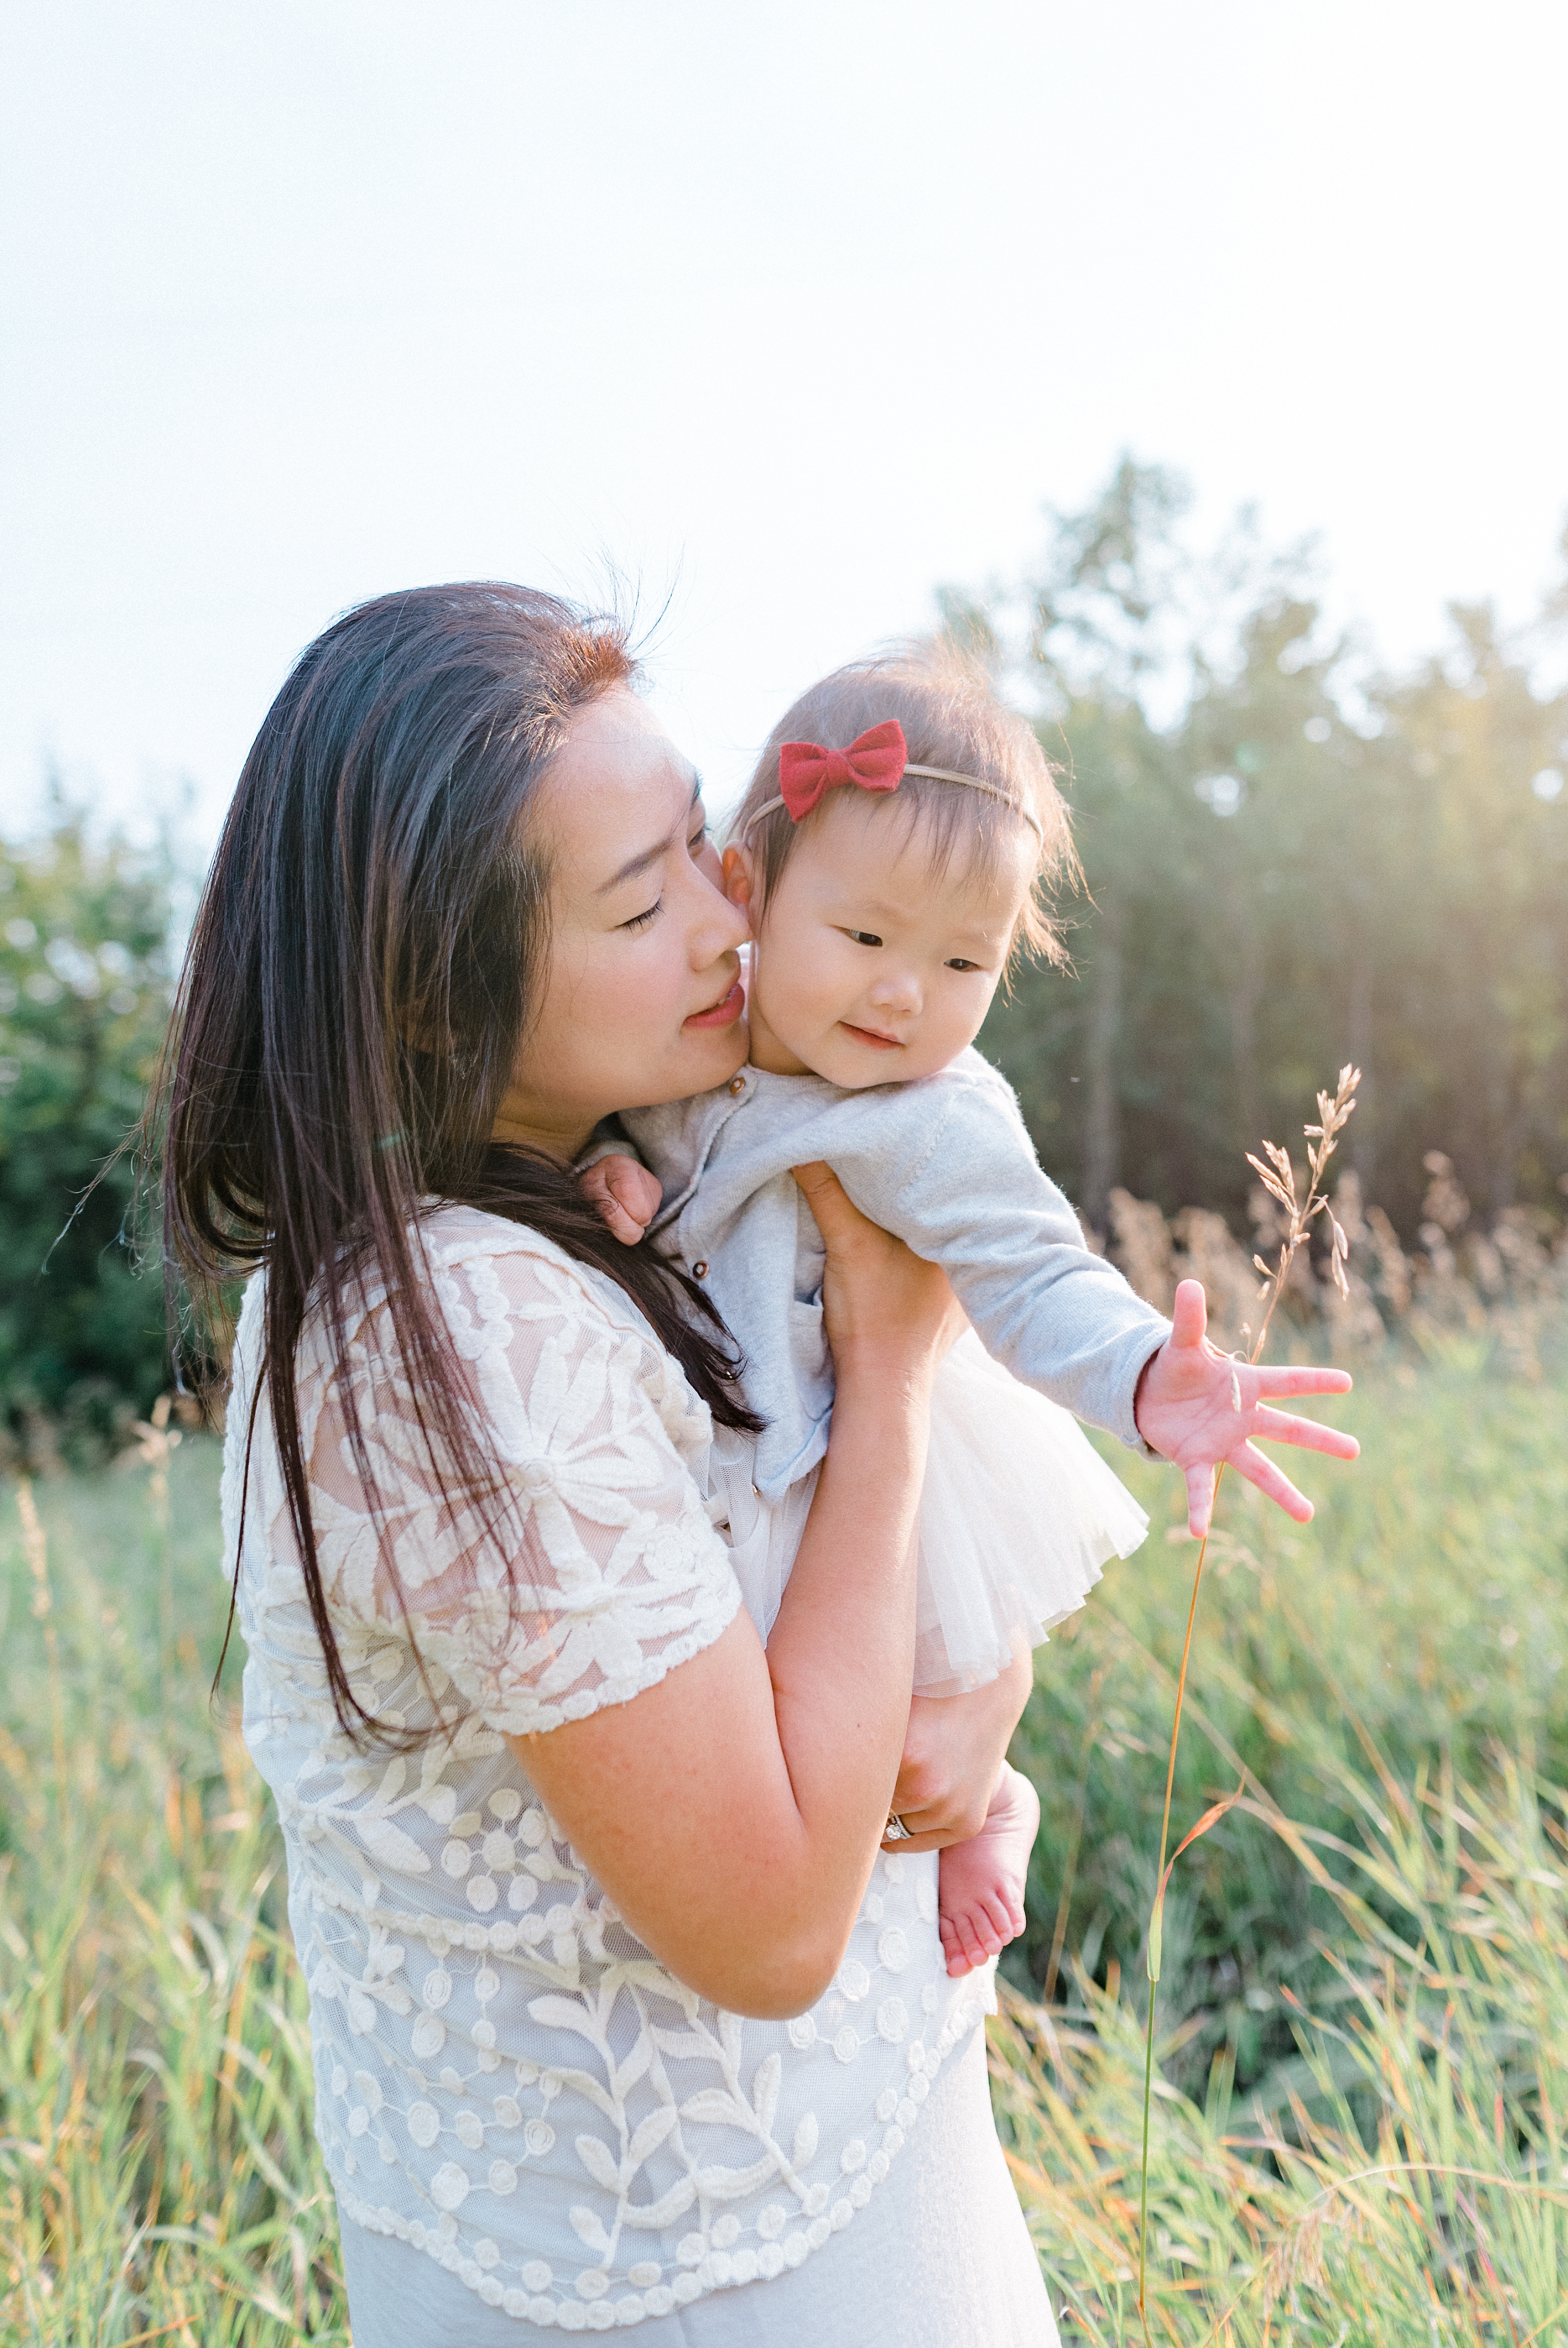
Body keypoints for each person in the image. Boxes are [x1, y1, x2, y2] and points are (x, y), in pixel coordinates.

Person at [157, 584, 1355, 2345]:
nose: (733, 917)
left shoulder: (564, 1205)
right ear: (433, 992)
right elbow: (770, 1918)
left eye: (711, 845)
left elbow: (817, 1539)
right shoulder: (467, 1333)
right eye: (648, 896)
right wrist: (887, 1381)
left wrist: (995, 1670)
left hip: (840, 2154)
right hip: (698, 2269)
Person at [579, 649, 1361, 1979]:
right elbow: (608, 1135)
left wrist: (1140, 1375)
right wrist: (611, 1171)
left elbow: (1030, 1266)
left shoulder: (929, 1114)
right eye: (867, 937)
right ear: (750, 889)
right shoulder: (679, 1046)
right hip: (739, 1460)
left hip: (849, 1472)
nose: (902, 995)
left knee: (904, 1698)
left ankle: (999, 1801)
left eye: (961, 961)